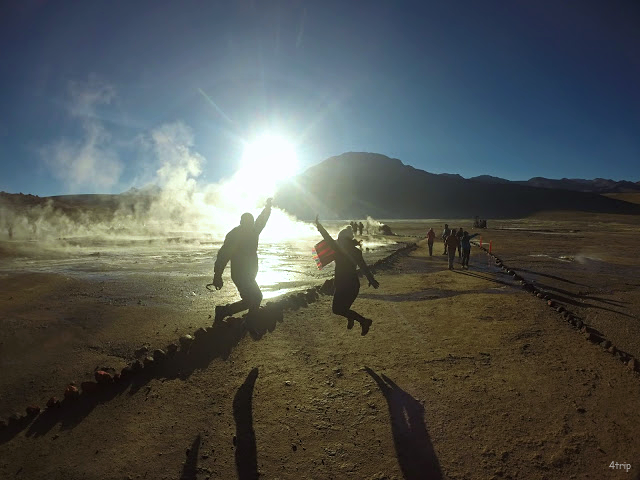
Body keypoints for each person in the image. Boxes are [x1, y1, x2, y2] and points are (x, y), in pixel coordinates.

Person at [315, 216, 379, 335]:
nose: (338, 241)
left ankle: (364, 321)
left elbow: (327, 238)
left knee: (337, 309)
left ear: (344, 240)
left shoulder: (338, 249)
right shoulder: (356, 251)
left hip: (344, 285)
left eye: (340, 239)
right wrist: (372, 280)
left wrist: (319, 227)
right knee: (342, 309)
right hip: (352, 285)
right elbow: (364, 267)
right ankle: (355, 319)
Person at [212, 198, 272, 323]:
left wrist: (268, 207)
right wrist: (217, 275)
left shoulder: (254, 231)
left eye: (251, 222)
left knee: (251, 299)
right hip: (239, 273)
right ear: (241, 222)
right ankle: (243, 318)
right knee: (255, 298)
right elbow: (223, 256)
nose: (249, 225)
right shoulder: (235, 235)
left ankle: (229, 313)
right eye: (247, 223)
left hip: (250, 273)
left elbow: (263, 219)